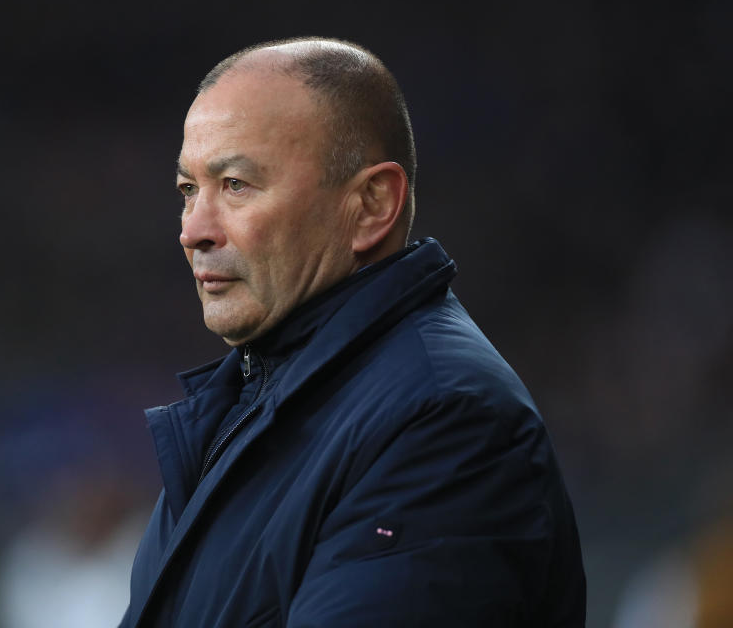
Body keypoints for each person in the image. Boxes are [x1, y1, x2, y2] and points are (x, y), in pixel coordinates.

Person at [120, 37, 585, 627]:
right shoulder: (248, 409)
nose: (194, 231)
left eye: (235, 184)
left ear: (370, 204)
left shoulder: (446, 418)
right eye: (189, 190)